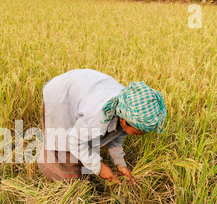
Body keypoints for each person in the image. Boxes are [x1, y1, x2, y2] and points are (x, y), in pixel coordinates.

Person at [38, 69, 167, 185]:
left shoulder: (127, 108)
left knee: (83, 145)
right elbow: (75, 142)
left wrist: (120, 164)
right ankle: (58, 182)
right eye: (136, 132)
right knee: (64, 149)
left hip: (87, 87)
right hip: (61, 96)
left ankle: (81, 174)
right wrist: (99, 167)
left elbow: (116, 136)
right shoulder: (96, 117)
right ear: (123, 119)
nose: (138, 136)